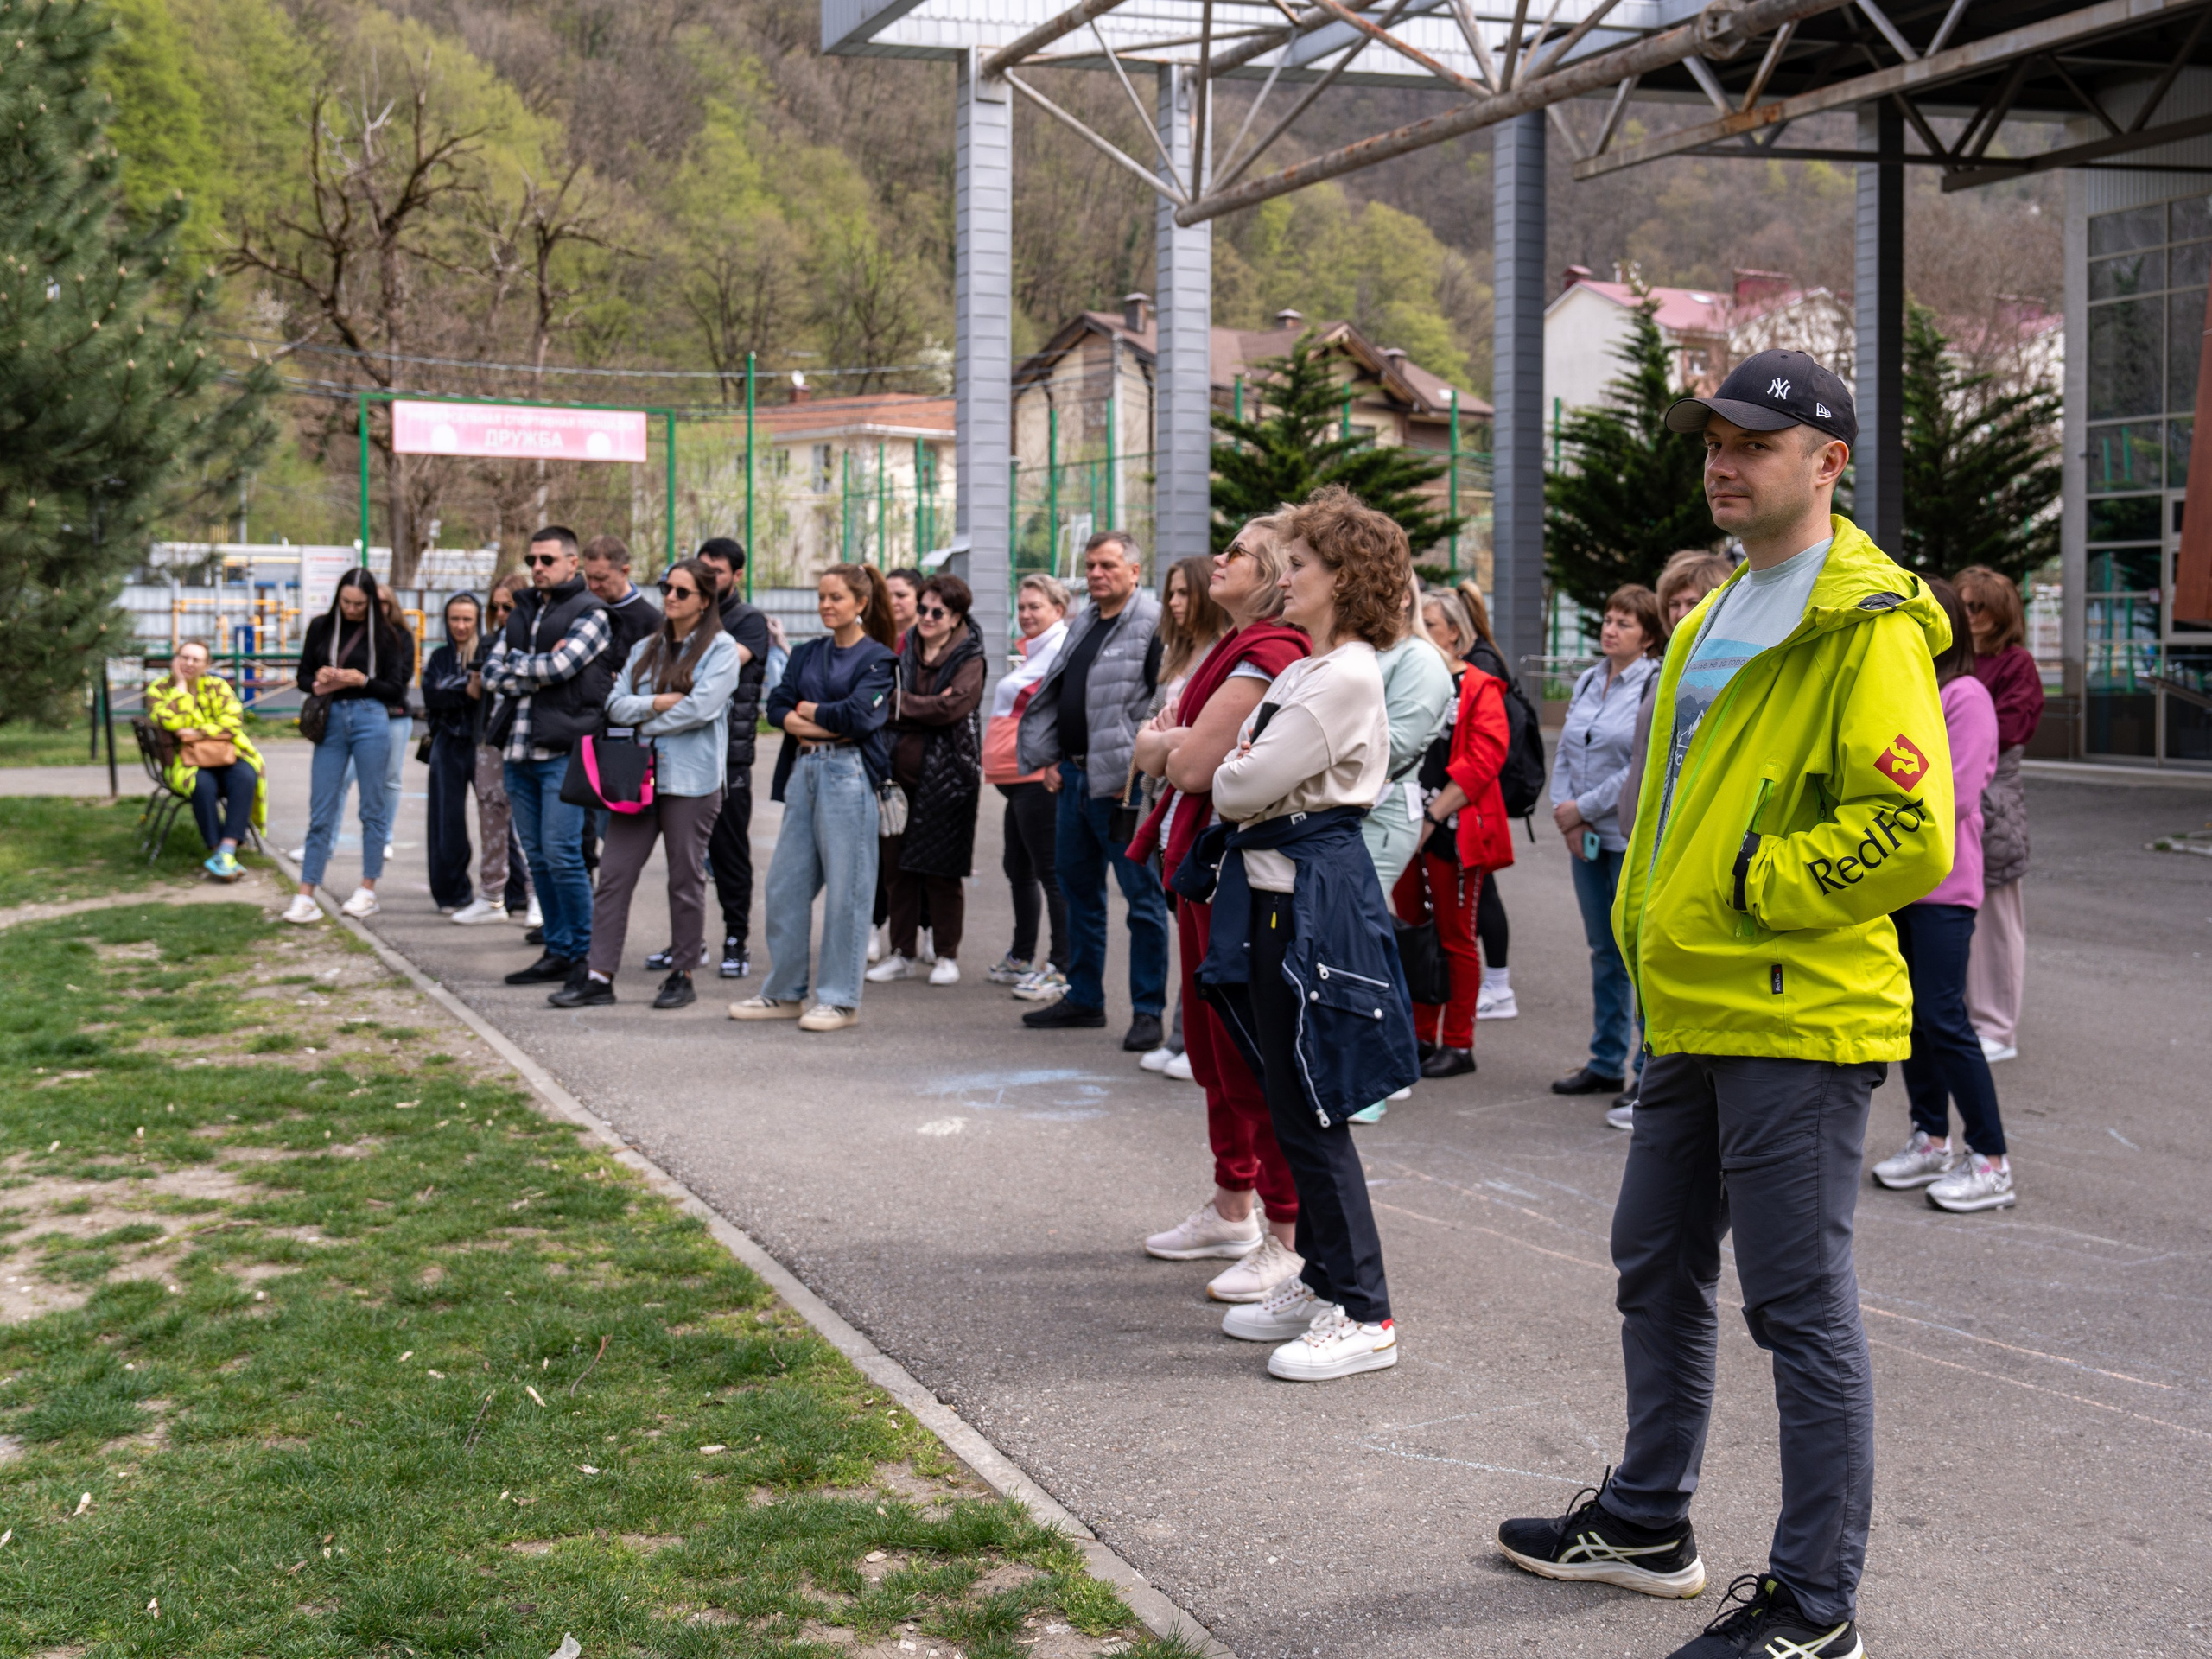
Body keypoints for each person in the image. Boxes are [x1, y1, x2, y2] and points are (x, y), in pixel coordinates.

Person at [1496, 350, 1954, 1659]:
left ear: (1829, 462)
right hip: (1691, 1005)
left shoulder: (1862, 623)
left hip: (1795, 1017)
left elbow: (1912, 830)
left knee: (1797, 1309)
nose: (1724, 462)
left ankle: (1815, 1606)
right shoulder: (1715, 614)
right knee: (1654, 1262)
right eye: (1713, 442)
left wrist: (1761, 884)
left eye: (1754, 442)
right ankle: (1648, 1523)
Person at [1199, 485, 1420, 1382]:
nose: (1283, 577)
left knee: (1316, 1104)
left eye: (1299, 565)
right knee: (1290, 1102)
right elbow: (1242, 773)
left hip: (1308, 904)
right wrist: (1243, 767)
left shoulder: (1344, 675)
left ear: (1344, 578)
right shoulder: (1308, 671)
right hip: (1274, 896)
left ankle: (1366, 1311)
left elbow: (1237, 785)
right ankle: (1323, 1281)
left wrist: (1241, 768)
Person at [1128, 514, 1307, 1302]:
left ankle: (1287, 1233)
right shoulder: (1231, 647)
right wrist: (1168, 747)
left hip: (1239, 876)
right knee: (1211, 1050)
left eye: (1238, 551)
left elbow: (1192, 765)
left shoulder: (1270, 651)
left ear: (1273, 575)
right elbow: (1176, 749)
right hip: (1202, 869)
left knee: (1249, 1057)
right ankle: (1234, 1205)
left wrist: (1163, 746)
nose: (1219, 559)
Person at [1871, 576, 2015, 1213]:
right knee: (1915, 1022)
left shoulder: (1965, 696)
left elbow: (1950, 797)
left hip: (1944, 888)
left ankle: (1991, 1160)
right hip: (1900, 882)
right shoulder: (1912, 694)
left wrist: (1880, 812)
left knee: (1945, 1019)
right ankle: (1930, 1138)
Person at [550, 557, 741, 1013]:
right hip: (636, 778)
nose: (670, 597)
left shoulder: (722, 649)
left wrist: (645, 717)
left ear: (705, 601)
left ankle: (683, 972)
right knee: (614, 876)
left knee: (685, 879)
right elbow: (615, 706)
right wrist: (657, 702)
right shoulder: (645, 647)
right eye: (666, 588)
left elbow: (701, 709)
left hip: (692, 782)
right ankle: (599, 976)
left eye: (681, 591)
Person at [1014, 531, 1170, 1050]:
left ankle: (1147, 1011)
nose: (1096, 574)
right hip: (1075, 778)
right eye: (1090, 566)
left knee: (1142, 899)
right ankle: (1084, 998)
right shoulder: (1085, 620)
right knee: (1079, 892)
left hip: (1124, 786)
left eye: (1107, 565)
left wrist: (1133, 762)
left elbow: (1162, 704)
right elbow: (1063, 693)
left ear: (1134, 572)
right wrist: (1055, 757)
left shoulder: (1152, 624)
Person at [729, 563, 899, 1033]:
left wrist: (808, 712)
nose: (825, 605)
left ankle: (841, 1000)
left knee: (848, 890)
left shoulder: (879, 660)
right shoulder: (806, 653)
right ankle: (785, 992)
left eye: (836, 597)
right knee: (784, 886)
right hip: (803, 772)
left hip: (849, 775)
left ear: (861, 603)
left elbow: (860, 720)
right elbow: (775, 707)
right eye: (821, 597)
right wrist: (821, 720)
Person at [1608, 551, 1734, 1130]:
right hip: (1643, 836)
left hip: (1691, 850)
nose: (1683, 612)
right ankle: (1646, 1075)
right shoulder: (1669, 670)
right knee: (1629, 956)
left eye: (1694, 601)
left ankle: (1657, 1079)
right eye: (1675, 603)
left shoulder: (1726, 672)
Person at [480, 525, 617, 990]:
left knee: (563, 855)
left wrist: (521, 666)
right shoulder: (520, 610)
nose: (536, 567)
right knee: (537, 858)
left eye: (547, 560)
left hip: (561, 752)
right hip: (517, 752)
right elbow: (490, 672)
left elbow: (563, 666)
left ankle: (586, 954)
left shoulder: (592, 612)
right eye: (532, 560)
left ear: (572, 563)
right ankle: (557, 950)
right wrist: (533, 668)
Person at [1548, 585, 1663, 1108]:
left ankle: (1646, 1070)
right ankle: (1605, 1061)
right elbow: (1567, 751)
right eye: (1608, 619)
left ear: (1648, 636)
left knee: (1635, 952)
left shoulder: (1653, 683)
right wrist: (1565, 814)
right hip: (1586, 834)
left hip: (1627, 835)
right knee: (1603, 952)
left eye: (1625, 623)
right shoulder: (1590, 679)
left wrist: (1583, 808)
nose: (1610, 630)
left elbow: (1639, 764)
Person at [1394, 589, 1513, 1080]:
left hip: (1452, 830)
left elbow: (1484, 759)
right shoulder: (1413, 677)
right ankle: (1422, 1034)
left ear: (1455, 633)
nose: (1419, 629)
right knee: (1413, 931)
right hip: (1405, 825)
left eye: (1430, 622)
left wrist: (1431, 817)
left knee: (1455, 937)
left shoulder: (1480, 685)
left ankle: (1459, 1043)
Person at [1139, 554, 1232, 1074]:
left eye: (1183, 593)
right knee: (1187, 931)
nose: (1174, 603)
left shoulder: (1224, 655)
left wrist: (1164, 740)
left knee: (1204, 935)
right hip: (1165, 804)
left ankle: (1192, 1042)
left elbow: (1193, 745)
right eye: (1170, 593)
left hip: (1202, 808)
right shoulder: (1176, 653)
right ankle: (1183, 1038)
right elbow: (1151, 732)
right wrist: (1163, 740)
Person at [868, 575, 987, 987]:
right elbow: (883, 701)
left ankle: (946, 954)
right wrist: (925, 706)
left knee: (942, 872)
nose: (928, 617)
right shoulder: (904, 648)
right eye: (923, 609)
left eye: (938, 611)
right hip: (897, 776)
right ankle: (902, 952)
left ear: (956, 617)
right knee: (897, 869)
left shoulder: (971, 656)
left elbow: (952, 709)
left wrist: (904, 706)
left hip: (949, 779)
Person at [286, 568, 407, 925]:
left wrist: (362, 680)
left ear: (370, 603)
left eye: (359, 604)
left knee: (372, 807)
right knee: (321, 808)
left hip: (371, 717)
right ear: (338, 597)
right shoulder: (321, 627)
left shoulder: (387, 635)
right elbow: (301, 677)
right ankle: (306, 894)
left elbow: (396, 690)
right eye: (346, 602)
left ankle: (368, 889)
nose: (352, 609)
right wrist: (319, 677)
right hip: (332, 718)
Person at [1957, 564, 2043, 1064]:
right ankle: (1966, 1016)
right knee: (1952, 916)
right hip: (1955, 793)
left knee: (1995, 920)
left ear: (2000, 612)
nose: (1968, 615)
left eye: (1978, 607)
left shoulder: (2015, 664)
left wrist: (1962, 722)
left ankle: (1997, 1026)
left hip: (1993, 799)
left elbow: (2011, 728)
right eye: (1963, 605)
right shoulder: (1955, 660)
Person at [677, 537, 772, 980]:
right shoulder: (686, 615)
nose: (708, 578)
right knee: (684, 856)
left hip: (728, 758)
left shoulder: (748, 621)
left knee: (729, 853)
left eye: (716, 571)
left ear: (737, 575)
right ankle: (686, 941)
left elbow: (711, 671)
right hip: (683, 751)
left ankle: (736, 940)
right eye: (703, 569)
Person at [982, 574, 1071, 997]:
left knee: (1051, 873)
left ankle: (1061, 966)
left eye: (1036, 606)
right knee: (1018, 868)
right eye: (1022, 607)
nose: (1026, 614)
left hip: (1037, 778)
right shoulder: (1038, 649)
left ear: (1058, 609)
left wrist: (1056, 760)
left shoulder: (1060, 647)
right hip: (1017, 779)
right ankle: (1021, 956)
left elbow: (1065, 708)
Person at [451, 574, 536, 927]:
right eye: (496, 607)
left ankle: (536, 895)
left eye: (508, 606)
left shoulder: (535, 638)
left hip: (528, 737)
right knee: (490, 813)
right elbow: (480, 690)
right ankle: (491, 896)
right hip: (490, 736)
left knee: (529, 819)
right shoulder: (488, 642)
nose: (501, 614)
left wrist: (498, 677)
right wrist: (478, 680)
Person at [145, 638, 265, 882]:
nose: (189, 663)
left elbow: (233, 721)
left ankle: (226, 851)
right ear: (175, 660)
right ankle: (216, 850)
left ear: (206, 665)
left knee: (245, 776)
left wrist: (196, 733)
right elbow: (169, 721)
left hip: (227, 754)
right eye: (184, 657)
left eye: (196, 659)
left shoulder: (217, 686)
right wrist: (180, 687)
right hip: (185, 760)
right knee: (202, 784)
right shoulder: (159, 689)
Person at [1453, 580, 1519, 1024]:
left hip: (1475, 802)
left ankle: (1498, 985)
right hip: (1473, 800)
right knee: (1478, 895)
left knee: (1480, 895)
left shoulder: (1478, 665)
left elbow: (1485, 751)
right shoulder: (1483, 655)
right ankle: (1495, 984)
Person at [420, 594, 484, 913]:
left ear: (477, 621)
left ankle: (514, 891)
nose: (460, 626)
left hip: (482, 742)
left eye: (467, 619)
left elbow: (485, 693)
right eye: (454, 619)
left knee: (499, 818)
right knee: (447, 821)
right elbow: (431, 694)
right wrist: (466, 689)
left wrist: (452, 689)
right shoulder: (439, 657)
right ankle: (451, 892)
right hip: (447, 742)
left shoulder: (485, 652)